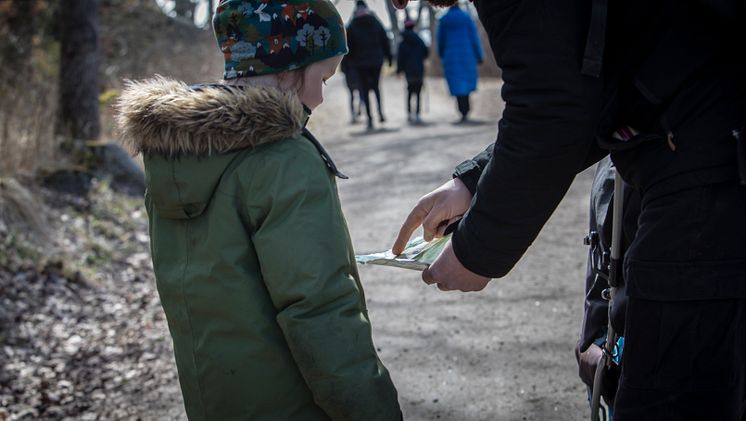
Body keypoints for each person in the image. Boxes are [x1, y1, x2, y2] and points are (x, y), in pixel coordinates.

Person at [391, 0, 746, 419]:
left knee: (671, 395)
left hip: (709, 166)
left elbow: (553, 108)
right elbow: (588, 89)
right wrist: (472, 182)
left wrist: (475, 252)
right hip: (700, 140)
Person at [115, 1, 402, 420]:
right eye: (323, 77)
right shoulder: (284, 161)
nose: (321, 97)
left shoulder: (176, 154)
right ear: (287, 68)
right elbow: (318, 310)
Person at [346, 0, 393, 130]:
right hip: (376, 61)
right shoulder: (375, 21)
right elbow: (385, 40)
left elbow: (348, 47)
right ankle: (380, 112)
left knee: (364, 90)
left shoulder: (352, 24)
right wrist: (389, 58)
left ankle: (370, 118)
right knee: (376, 87)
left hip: (359, 64)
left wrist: (348, 64)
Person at [436, 2, 483, 123]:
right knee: (465, 84)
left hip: (450, 56)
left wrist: (441, 54)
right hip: (467, 54)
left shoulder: (444, 20)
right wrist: (479, 55)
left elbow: (440, 40)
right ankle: (466, 110)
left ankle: (462, 111)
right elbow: (474, 38)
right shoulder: (467, 17)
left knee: (457, 84)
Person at [397, 18, 429, 124]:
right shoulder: (419, 40)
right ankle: (418, 114)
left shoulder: (402, 43)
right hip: (419, 69)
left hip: (408, 71)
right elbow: (426, 52)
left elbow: (400, 58)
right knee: (418, 92)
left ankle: (409, 113)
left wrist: (399, 71)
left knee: (410, 91)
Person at [341, 54, 362, 124]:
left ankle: (353, 114)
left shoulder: (345, 54)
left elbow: (342, 69)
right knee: (361, 94)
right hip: (359, 77)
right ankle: (359, 110)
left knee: (351, 96)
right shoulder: (358, 53)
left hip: (349, 78)